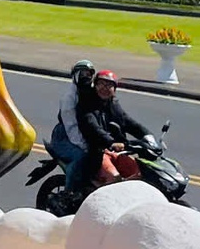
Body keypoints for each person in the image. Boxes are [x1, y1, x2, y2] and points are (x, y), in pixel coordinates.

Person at [50, 62, 153, 203]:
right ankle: (81, 198)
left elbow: (128, 122)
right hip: (86, 146)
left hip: (111, 149)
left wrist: (147, 135)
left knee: (139, 171)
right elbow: (89, 126)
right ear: (96, 85)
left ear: (115, 89)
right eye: (101, 84)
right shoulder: (82, 101)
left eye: (109, 85)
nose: (105, 89)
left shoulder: (111, 104)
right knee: (106, 173)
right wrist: (110, 142)